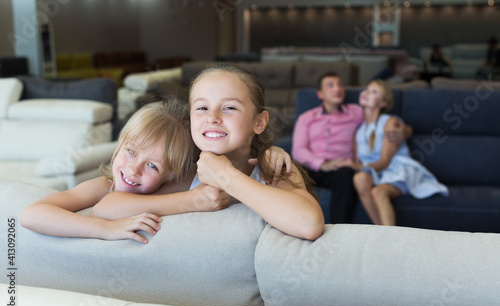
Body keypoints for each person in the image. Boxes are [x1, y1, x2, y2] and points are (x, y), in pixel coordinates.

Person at [21, 98, 292, 243]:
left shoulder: (182, 180)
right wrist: (103, 230)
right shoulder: (105, 184)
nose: (132, 169)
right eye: (130, 150)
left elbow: (237, 165)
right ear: (120, 142)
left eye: (153, 165)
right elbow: (32, 214)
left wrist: (269, 153)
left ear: (173, 174)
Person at [189, 63, 324, 240]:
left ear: (259, 122)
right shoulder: (182, 172)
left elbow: (309, 224)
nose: (212, 117)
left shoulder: (274, 171)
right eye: (202, 108)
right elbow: (139, 201)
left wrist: (225, 176)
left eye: (229, 107)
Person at [291, 72, 411, 224]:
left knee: (347, 174)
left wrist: (405, 131)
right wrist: (322, 164)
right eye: (331, 85)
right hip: (313, 167)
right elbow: (298, 150)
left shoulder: (357, 112)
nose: (337, 89)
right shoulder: (306, 118)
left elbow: (382, 119)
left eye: (340, 84)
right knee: (288, 169)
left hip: (339, 169)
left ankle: (339, 230)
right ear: (320, 94)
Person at [339, 80, 449, 226]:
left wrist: (356, 166)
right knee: (359, 179)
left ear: (383, 103)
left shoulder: (389, 123)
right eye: (367, 89)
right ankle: (382, 232)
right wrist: (353, 165)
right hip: (375, 172)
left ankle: (389, 237)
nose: (366, 92)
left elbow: (385, 161)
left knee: (378, 192)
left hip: (395, 169)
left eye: (374, 91)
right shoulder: (358, 131)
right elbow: (358, 162)